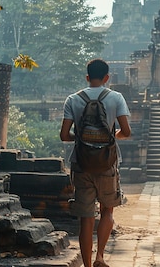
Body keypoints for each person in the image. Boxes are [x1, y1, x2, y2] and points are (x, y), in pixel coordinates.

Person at [59, 58, 131, 267]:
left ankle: (88, 265)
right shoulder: (116, 98)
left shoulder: (73, 99)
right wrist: (110, 136)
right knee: (107, 210)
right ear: (107, 78)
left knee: (86, 218)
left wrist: (81, 138)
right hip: (107, 163)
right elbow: (126, 132)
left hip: (82, 163)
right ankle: (100, 255)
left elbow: (64, 135)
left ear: (87, 77)